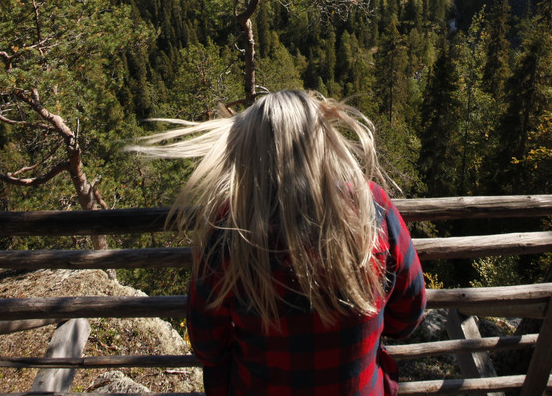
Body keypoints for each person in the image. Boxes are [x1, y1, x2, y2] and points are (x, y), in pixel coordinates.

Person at [128, 89, 426, 395]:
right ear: (324, 141)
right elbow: (408, 316)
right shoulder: (370, 205)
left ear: (247, 150)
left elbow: (208, 347)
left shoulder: (227, 228)